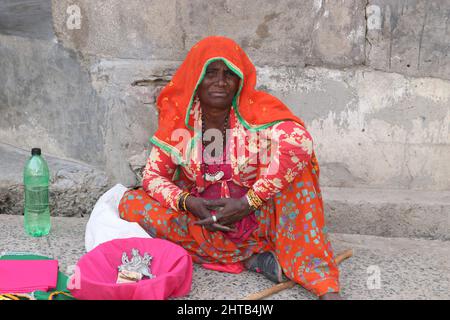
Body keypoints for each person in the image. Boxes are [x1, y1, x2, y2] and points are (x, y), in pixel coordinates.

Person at [118, 36, 342, 299]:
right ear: (196, 78)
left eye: (229, 74)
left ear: (240, 81)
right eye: (210, 73)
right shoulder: (182, 119)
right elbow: (153, 177)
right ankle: (253, 259)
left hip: (259, 217)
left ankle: (320, 279)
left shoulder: (255, 112)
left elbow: (300, 143)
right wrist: (189, 202)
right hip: (205, 221)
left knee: (298, 176)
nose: (220, 82)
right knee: (131, 204)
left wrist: (248, 202)